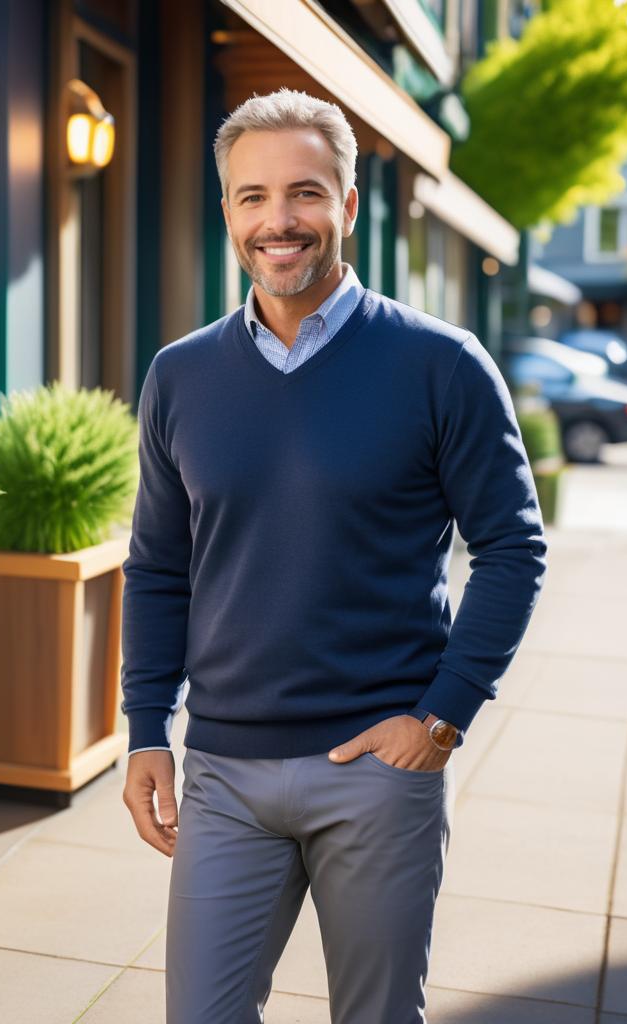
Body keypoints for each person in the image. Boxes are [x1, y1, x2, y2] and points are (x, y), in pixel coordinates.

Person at [119, 88, 548, 1024]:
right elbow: (156, 566)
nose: (279, 221)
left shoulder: (441, 364)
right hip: (224, 772)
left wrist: (440, 720)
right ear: (227, 210)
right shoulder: (179, 375)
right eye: (252, 197)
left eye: (306, 193)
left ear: (349, 206)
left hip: (377, 771)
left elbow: (513, 548)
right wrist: (147, 727)